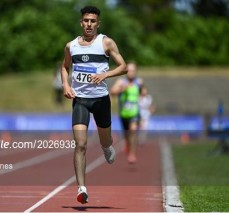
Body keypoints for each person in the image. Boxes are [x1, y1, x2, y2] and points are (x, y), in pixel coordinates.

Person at [61, 6, 127, 204]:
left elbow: (123, 66)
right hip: (80, 100)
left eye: (92, 21)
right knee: (80, 144)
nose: (89, 24)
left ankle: (107, 147)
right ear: (81, 23)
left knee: (104, 141)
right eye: (86, 21)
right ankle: (81, 188)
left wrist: (105, 74)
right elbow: (65, 67)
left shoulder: (105, 42)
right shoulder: (71, 46)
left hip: (101, 100)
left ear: (98, 23)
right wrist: (65, 84)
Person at [110, 62, 142, 164]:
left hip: (135, 112)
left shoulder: (139, 82)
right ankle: (128, 144)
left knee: (133, 130)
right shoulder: (121, 82)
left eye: (133, 70)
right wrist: (122, 88)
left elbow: (144, 92)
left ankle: (132, 154)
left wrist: (143, 93)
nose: (131, 72)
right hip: (123, 113)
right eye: (129, 70)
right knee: (126, 134)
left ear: (135, 71)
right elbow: (112, 92)